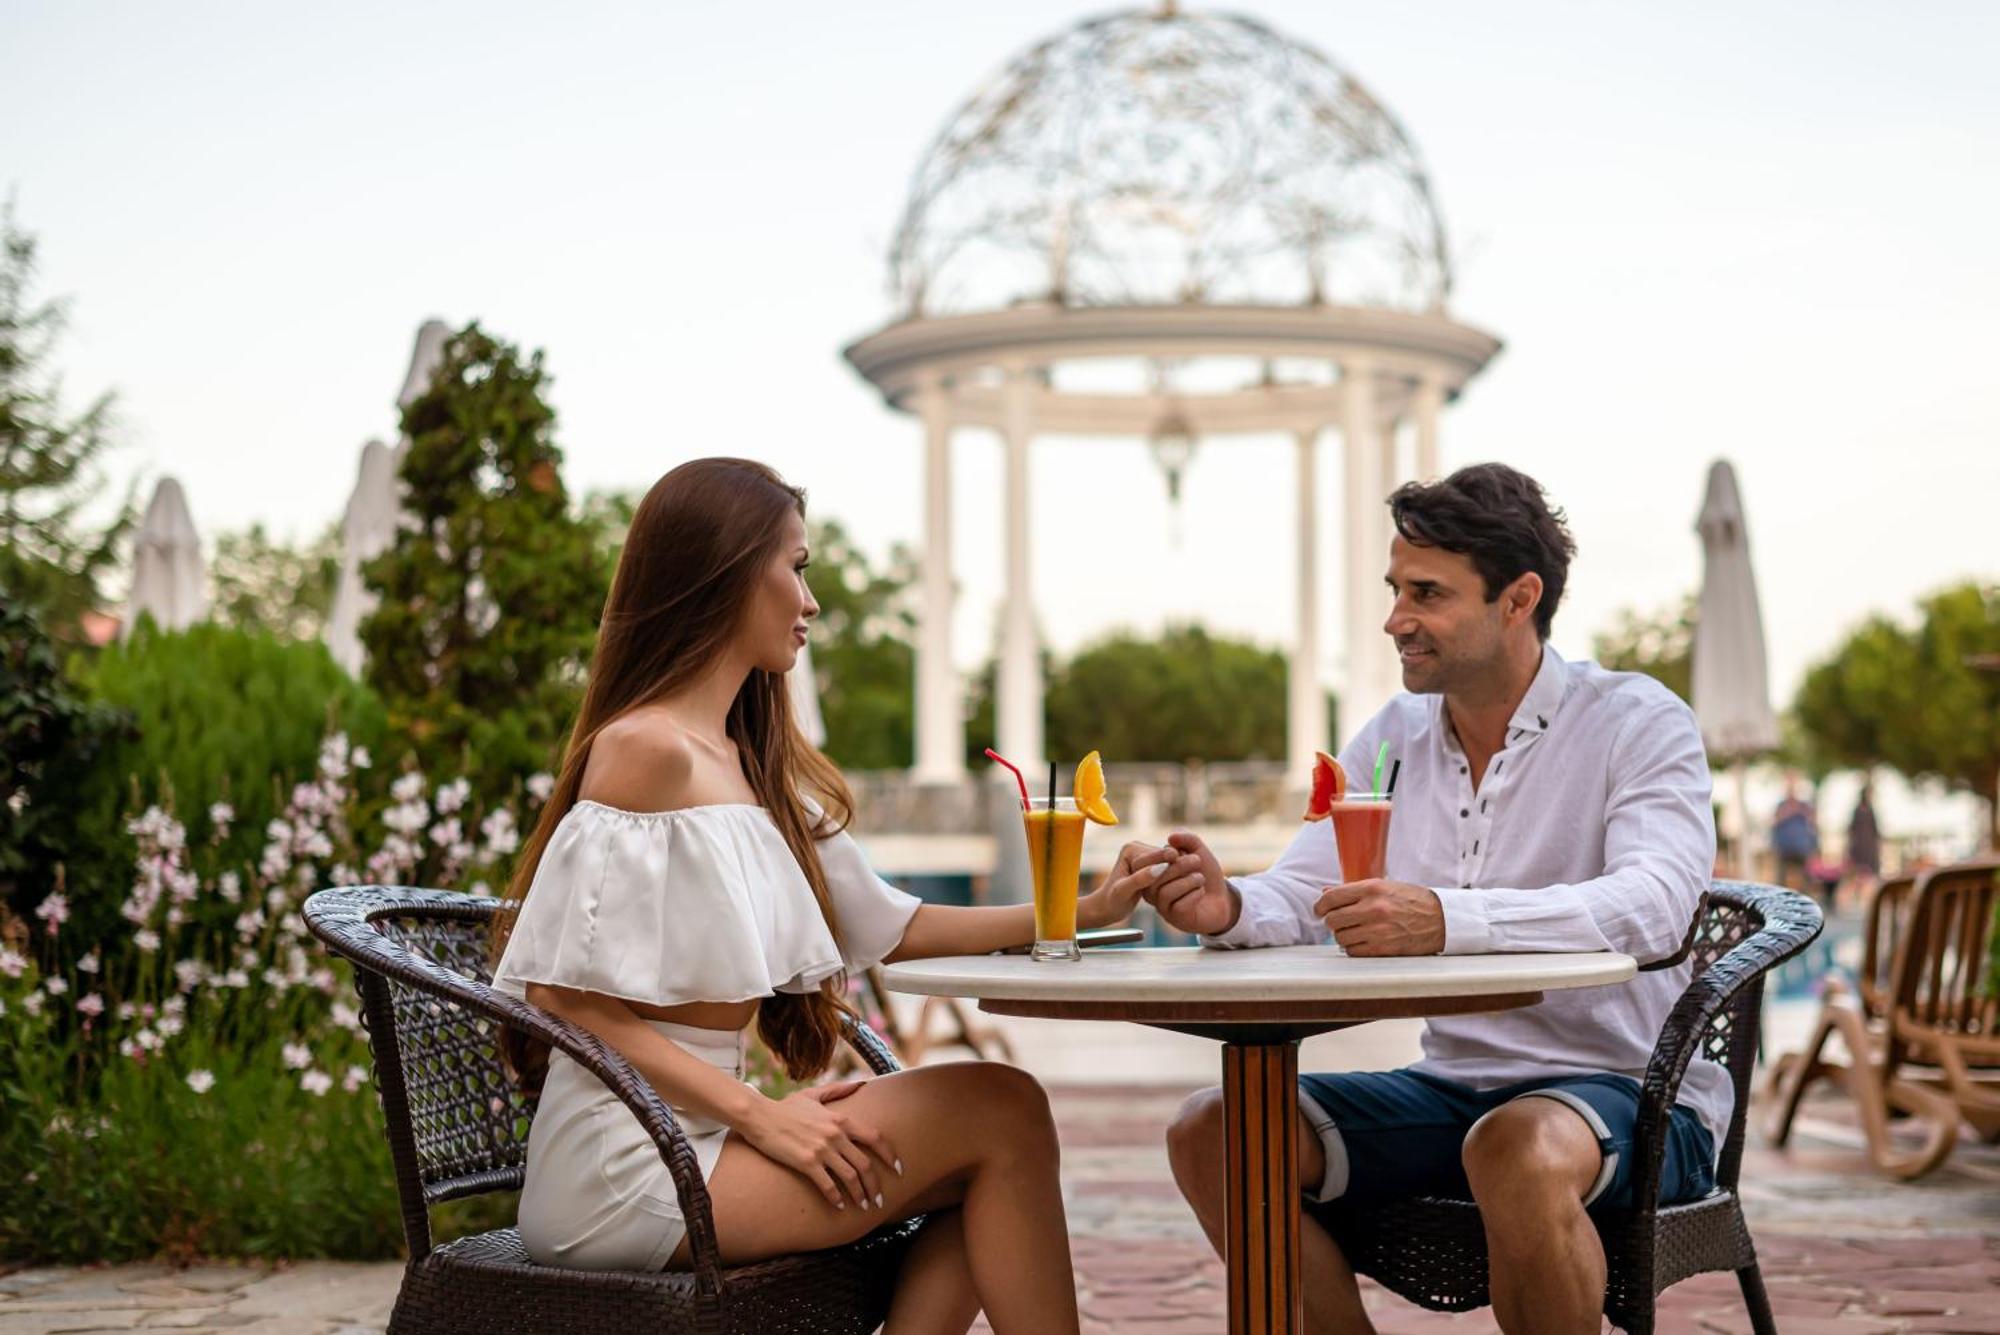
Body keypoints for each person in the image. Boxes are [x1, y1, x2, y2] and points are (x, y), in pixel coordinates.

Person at [490, 458, 1168, 1335]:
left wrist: (1089, 908)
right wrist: (762, 1117)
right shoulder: (644, 749)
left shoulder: (756, 765)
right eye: (797, 566)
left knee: (988, 1163)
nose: (810, 602)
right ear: (728, 571)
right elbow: (563, 999)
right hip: (624, 1165)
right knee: (1005, 1109)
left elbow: (900, 924)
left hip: (704, 1135)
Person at [1148, 463, 1721, 1335]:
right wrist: (1225, 905)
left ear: (1518, 598)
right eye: (1394, 590)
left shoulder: (1638, 721)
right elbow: (1311, 888)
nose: (1395, 620)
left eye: (1427, 594)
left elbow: (1657, 904)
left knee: (1516, 1147)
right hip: (1455, 1088)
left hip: (1635, 1091)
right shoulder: (1391, 735)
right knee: (1214, 1129)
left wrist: (1448, 919)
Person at [1770, 778, 1819, 894]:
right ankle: (1780, 898)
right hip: (1784, 847)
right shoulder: (1781, 805)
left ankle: (1805, 897)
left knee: (1805, 876)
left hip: (1801, 846)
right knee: (1781, 876)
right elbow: (1775, 822)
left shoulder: (1804, 805)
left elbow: (1812, 822)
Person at [1844, 781, 1882, 908]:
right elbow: (1851, 829)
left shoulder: (1870, 810)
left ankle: (1865, 902)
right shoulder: (1858, 810)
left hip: (1868, 848)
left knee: (1867, 877)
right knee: (1856, 876)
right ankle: (1848, 902)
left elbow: (1876, 831)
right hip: (1860, 848)